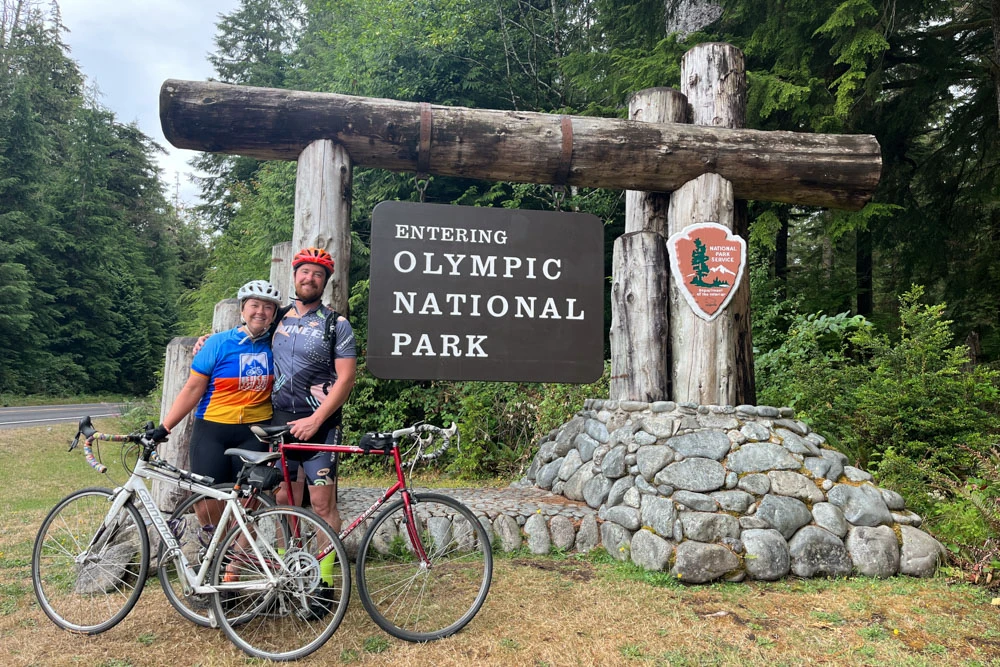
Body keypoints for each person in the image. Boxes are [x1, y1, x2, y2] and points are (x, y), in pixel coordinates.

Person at [148, 279, 282, 524]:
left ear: (275, 314)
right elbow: (192, 390)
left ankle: (237, 562)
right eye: (254, 305)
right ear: (242, 309)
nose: (260, 312)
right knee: (206, 505)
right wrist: (165, 427)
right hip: (212, 431)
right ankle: (215, 554)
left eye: (268, 307)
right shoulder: (217, 343)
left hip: (254, 433)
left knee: (246, 509)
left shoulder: (278, 344)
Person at [270, 246, 357, 533]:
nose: (310, 278)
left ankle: (326, 577)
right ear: (294, 276)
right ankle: (287, 571)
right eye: (305, 272)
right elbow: (243, 334)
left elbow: (346, 379)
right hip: (281, 420)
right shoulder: (275, 318)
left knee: (322, 503)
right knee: (284, 498)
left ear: (325, 281)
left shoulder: (337, 324)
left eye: (318, 274)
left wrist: (316, 420)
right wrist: (205, 341)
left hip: (322, 424)